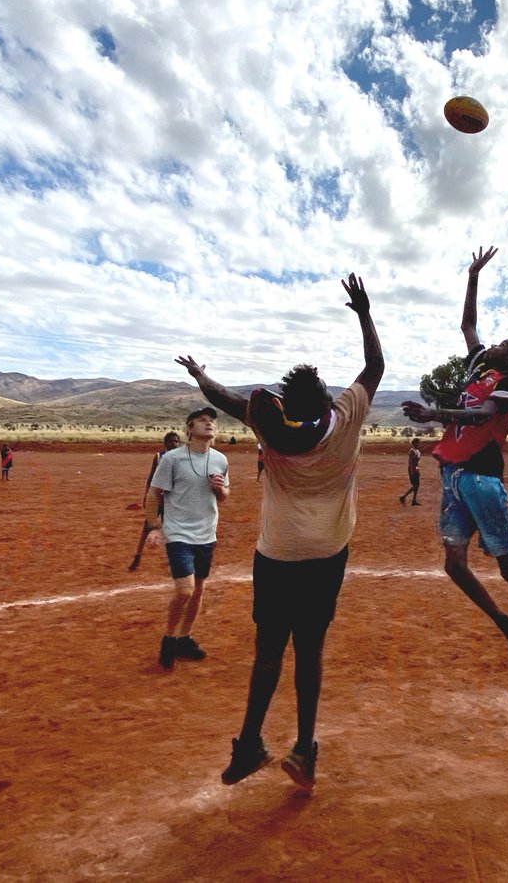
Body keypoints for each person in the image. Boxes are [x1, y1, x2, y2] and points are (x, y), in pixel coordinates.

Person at [178, 272, 382, 792]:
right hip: (328, 554)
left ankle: (249, 745)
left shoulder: (271, 429)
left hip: (278, 555)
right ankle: (304, 751)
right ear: (328, 398)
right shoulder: (347, 416)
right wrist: (363, 312)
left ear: (288, 408)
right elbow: (376, 366)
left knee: (269, 650)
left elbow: (224, 397)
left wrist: (200, 375)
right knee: (309, 651)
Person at [402, 246, 508, 670]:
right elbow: (467, 324)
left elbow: (481, 416)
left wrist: (433, 413)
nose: (489, 344)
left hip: (481, 479)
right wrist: (473, 274)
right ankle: (504, 622)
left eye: (499, 344)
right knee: (454, 565)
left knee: (507, 566)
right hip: (454, 478)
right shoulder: (479, 366)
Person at [144, 411, 229, 671]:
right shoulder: (172, 459)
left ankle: (184, 638)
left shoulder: (220, 459)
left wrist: (219, 489)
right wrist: (156, 527)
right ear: (190, 428)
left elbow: (225, 495)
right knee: (185, 590)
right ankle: (169, 639)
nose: (209, 423)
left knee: (199, 588)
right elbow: (153, 494)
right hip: (178, 532)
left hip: (207, 533)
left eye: (211, 420)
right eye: (203, 420)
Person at [128, 431, 182, 571]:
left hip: (170, 500)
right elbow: (151, 478)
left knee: (171, 530)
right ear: (165, 444)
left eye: (176, 441)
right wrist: (146, 495)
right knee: (146, 528)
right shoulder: (159, 457)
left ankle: (172, 560)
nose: (174, 444)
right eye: (171, 441)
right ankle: (138, 556)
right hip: (157, 499)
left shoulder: (180, 460)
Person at [398, 437, 422, 506]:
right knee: (415, 485)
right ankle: (403, 497)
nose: (419, 444)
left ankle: (413, 500)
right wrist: (412, 472)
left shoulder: (417, 451)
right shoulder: (412, 451)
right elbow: (410, 462)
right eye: (418, 443)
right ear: (414, 444)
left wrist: (418, 470)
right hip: (412, 470)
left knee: (417, 486)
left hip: (415, 469)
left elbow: (416, 463)